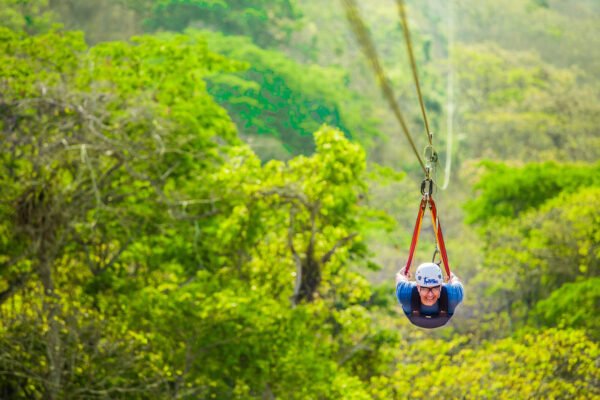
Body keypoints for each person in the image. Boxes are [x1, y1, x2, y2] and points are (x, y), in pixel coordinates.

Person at [395, 262, 464, 329]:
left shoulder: (454, 294)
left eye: (435, 288)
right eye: (425, 288)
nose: (430, 294)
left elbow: (455, 279)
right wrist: (451, 278)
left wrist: (452, 278)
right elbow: (400, 277)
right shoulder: (405, 293)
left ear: (440, 286)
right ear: (418, 287)